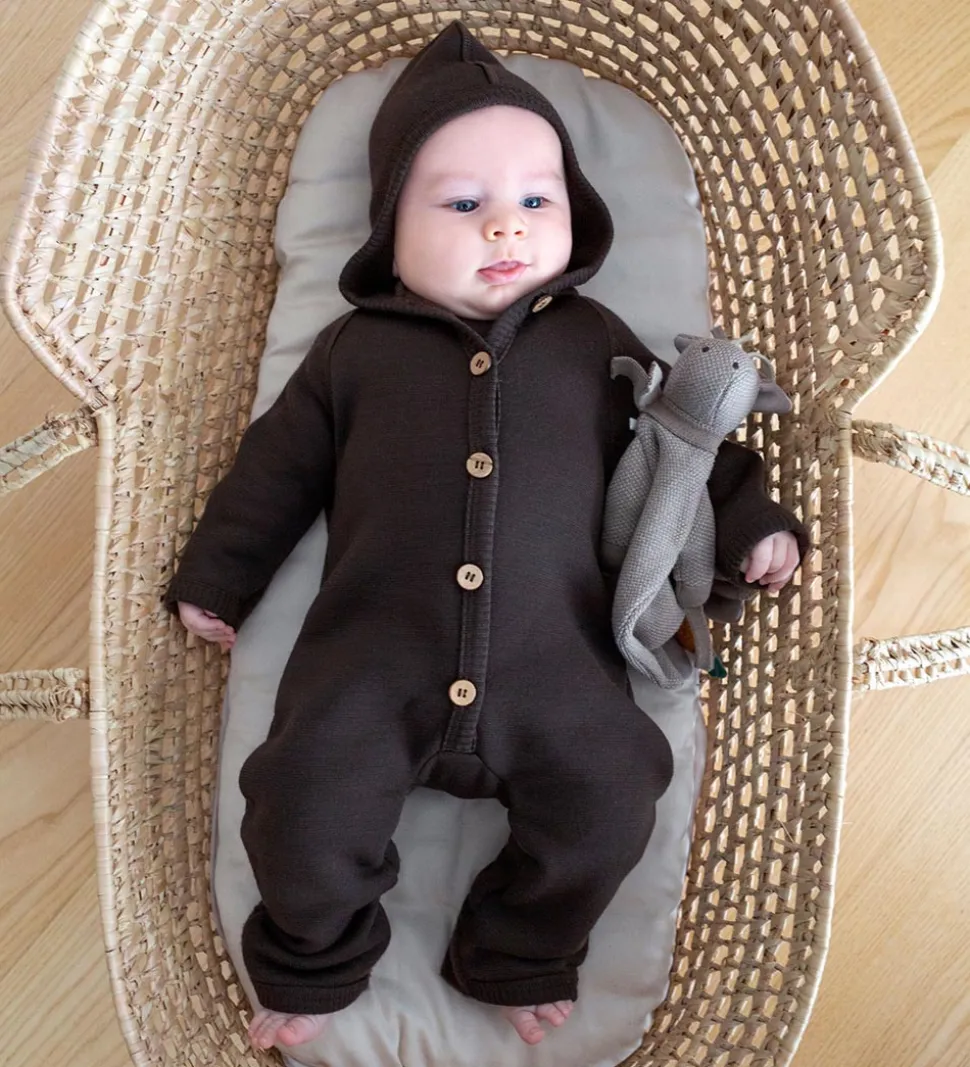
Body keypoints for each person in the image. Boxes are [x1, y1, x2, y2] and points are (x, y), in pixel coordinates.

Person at [164, 21, 807, 1052]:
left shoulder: (592, 339)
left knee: (616, 792)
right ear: (390, 230)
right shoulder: (354, 352)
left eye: (536, 202)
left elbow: (683, 443)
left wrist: (752, 521)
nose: (505, 225)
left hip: (559, 664)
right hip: (370, 662)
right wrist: (220, 574)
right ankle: (313, 954)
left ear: (575, 216)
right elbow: (273, 471)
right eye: (462, 205)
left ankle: (517, 946)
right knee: (298, 799)